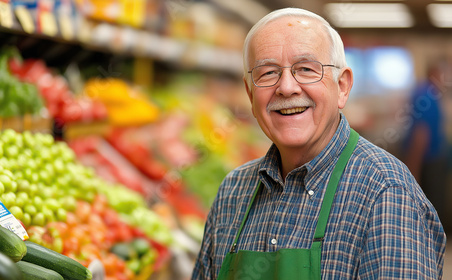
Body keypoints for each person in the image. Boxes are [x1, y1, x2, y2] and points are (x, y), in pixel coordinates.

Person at [191, 7, 446, 280]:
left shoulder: (386, 194)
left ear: (343, 87)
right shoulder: (233, 192)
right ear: (250, 94)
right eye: (267, 73)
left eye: (306, 69)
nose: (286, 87)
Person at [403, 61, 451, 234]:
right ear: (433, 73)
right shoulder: (425, 94)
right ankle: (428, 241)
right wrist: (413, 166)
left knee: (435, 201)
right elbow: (421, 133)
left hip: (435, 158)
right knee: (430, 203)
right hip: (428, 160)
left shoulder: (432, 94)